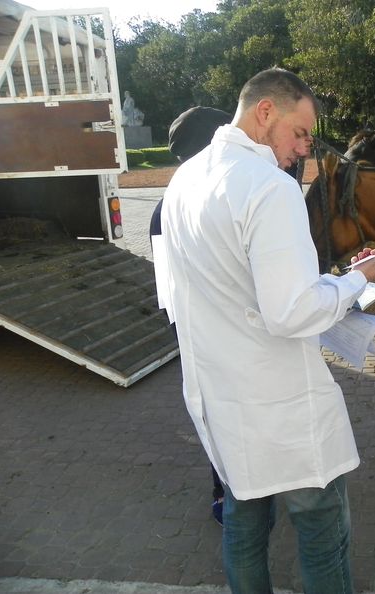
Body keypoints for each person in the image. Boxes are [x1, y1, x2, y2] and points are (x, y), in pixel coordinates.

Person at [157, 68, 375, 594]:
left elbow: (201, 287)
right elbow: (291, 312)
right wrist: (356, 280)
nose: (304, 148)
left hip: (221, 401)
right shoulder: (270, 187)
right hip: (281, 411)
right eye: (300, 132)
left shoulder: (185, 179)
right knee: (324, 540)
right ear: (265, 112)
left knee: (244, 528)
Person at [150, 106, 233, 526]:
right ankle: (224, 490)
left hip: (208, 332)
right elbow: (171, 291)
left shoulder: (173, 203)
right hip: (205, 335)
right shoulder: (176, 206)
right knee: (218, 415)